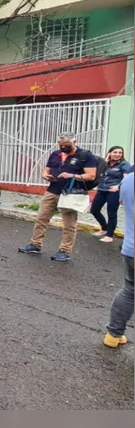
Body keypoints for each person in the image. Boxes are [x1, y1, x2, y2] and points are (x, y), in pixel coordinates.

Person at [18, 132, 97, 262]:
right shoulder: (55, 154)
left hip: (69, 194)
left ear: (74, 142)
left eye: (66, 145)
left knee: (69, 224)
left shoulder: (85, 155)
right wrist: (45, 175)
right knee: (41, 218)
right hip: (52, 191)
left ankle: (64, 251)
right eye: (61, 145)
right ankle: (35, 245)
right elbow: (46, 169)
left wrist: (71, 175)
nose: (63, 147)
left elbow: (91, 175)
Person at [104, 172, 134, 348]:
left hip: (130, 247)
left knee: (129, 290)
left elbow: (122, 201)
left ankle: (113, 335)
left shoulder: (128, 179)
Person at [90, 146, 132, 243]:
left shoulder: (124, 164)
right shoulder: (106, 164)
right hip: (101, 189)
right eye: (115, 152)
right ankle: (104, 228)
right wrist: (105, 160)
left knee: (111, 213)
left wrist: (118, 187)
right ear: (109, 153)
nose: (117, 154)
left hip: (113, 191)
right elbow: (99, 173)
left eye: (120, 153)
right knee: (94, 210)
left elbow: (126, 178)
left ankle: (109, 235)